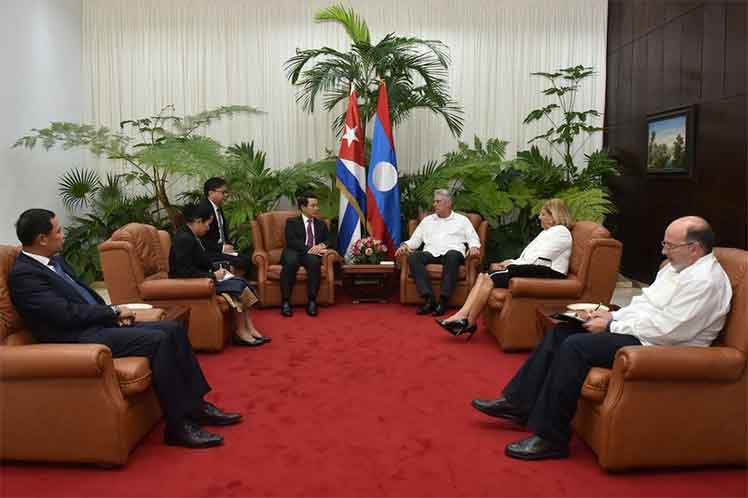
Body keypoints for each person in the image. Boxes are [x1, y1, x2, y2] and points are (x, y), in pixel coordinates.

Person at [470, 216, 732, 460]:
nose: (664, 251)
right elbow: (645, 305)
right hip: (642, 331)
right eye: (664, 243)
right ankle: (519, 404)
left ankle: (552, 438)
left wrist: (612, 323)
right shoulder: (676, 268)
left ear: (695, 248)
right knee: (562, 331)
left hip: (660, 348)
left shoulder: (705, 282)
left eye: (670, 246)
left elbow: (668, 330)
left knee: (575, 347)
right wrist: (606, 315)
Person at [8, 209, 243, 449]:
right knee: (158, 341)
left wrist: (112, 314)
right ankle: (178, 426)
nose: (63, 234)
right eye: (58, 231)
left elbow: (84, 297)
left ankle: (196, 406)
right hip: (76, 338)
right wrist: (112, 313)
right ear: (42, 239)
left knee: (173, 329)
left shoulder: (55, 261)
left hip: (96, 325)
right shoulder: (25, 275)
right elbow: (63, 314)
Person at [437, 198, 573, 339]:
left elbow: (541, 258)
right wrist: (510, 262)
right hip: (535, 268)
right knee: (483, 276)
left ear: (553, 217)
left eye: (543, 214)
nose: (539, 217)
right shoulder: (547, 232)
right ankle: (465, 318)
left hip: (547, 272)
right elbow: (528, 258)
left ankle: (465, 319)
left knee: (490, 277)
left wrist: (512, 265)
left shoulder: (560, 232)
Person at [170, 203, 270, 347]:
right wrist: (213, 275)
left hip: (204, 276)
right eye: (207, 224)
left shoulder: (190, 235)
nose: (208, 228)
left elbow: (201, 261)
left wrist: (218, 270)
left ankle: (249, 328)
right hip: (193, 282)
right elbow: (184, 271)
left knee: (242, 283)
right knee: (238, 286)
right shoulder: (184, 239)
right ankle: (241, 332)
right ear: (198, 221)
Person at [394, 189, 481, 316]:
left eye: (438, 201)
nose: (434, 204)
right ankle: (429, 299)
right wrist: (405, 245)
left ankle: (443, 301)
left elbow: (473, 238)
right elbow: (415, 240)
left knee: (452, 255)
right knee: (414, 257)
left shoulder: (462, 220)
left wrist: (474, 247)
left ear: (448, 203)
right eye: (434, 201)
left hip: (453, 253)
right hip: (431, 252)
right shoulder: (427, 220)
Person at [280, 192, 332, 317]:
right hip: (294, 250)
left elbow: (330, 240)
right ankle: (286, 302)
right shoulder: (292, 222)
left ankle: (312, 301)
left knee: (314, 263)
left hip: (311, 254)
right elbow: (291, 240)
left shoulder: (321, 224)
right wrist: (310, 249)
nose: (316, 208)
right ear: (303, 207)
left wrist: (321, 246)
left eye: (317, 205)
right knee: (291, 262)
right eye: (313, 206)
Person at [198, 177, 251, 274]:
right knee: (243, 261)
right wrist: (221, 248)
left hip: (223, 249)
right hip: (211, 252)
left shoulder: (218, 207)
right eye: (223, 192)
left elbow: (222, 231)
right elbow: (200, 239)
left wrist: (228, 246)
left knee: (248, 257)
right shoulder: (203, 209)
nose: (226, 195)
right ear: (211, 193)